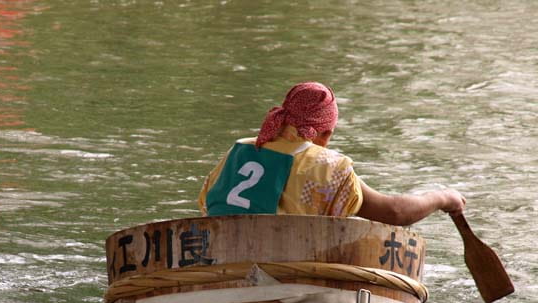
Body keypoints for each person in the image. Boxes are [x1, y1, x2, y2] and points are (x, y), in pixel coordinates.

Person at [198, 81, 465, 225]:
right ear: (325, 134)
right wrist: (443, 197)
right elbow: (394, 212)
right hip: (286, 270)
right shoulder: (327, 167)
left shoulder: (238, 150)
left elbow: (208, 206)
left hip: (224, 264)